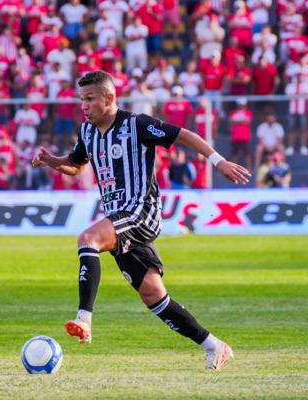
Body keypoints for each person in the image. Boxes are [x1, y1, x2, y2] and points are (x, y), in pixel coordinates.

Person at [31, 70, 250, 370]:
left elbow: (183, 135)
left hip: (140, 211)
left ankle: (84, 319)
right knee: (153, 295)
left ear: (109, 98)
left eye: (90, 99)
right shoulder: (88, 132)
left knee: (88, 239)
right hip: (118, 218)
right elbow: (78, 165)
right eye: (81, 99)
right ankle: (215, 345)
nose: (84, 105)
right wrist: (52, 162)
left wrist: (218, 161)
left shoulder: (136, 124)